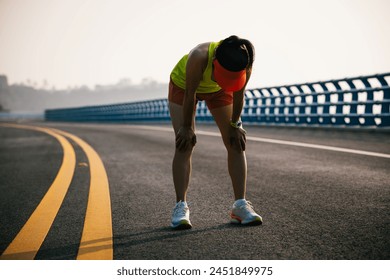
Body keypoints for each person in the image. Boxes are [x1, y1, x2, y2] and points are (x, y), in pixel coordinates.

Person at [168, 35, 262, 230]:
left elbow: (239, 94)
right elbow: (190, 94)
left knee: (235, 141)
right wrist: (186, 127)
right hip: (183, 86)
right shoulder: (199, 56)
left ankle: (240, 206)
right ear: (215, 62)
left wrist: (236, 126)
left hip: (218, 90)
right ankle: (180, 206)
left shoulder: (245, 61)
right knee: (184, 144)